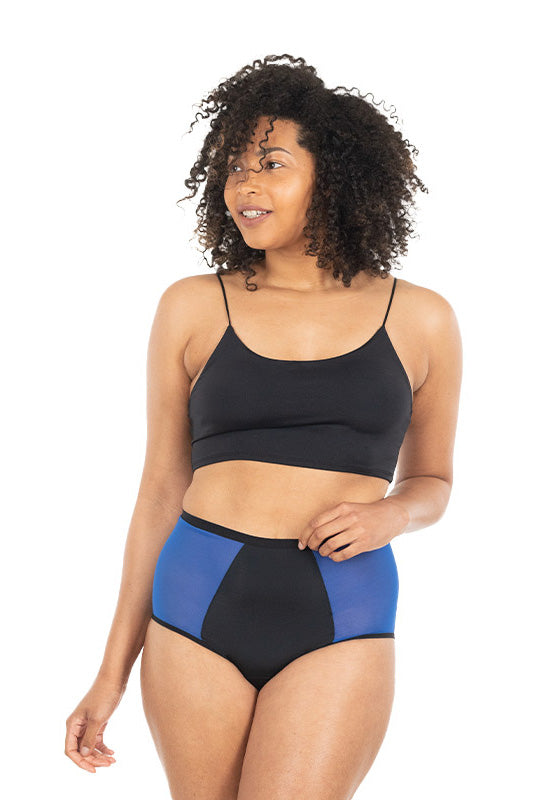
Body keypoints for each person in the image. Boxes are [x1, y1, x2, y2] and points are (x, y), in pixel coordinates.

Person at [65, 54, 462, 799]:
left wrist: (392, 514)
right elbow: (159, 492)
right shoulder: (191, 305)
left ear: (333, 177)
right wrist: (109, 676)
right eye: (234, 167)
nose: (245, 184)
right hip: (197, 597)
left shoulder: (421, 318)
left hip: (342, 604)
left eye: (271, 163)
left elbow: (434, 480)